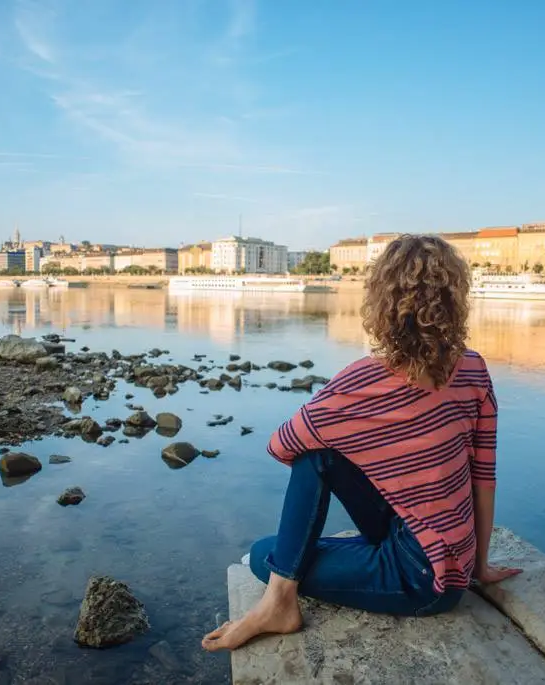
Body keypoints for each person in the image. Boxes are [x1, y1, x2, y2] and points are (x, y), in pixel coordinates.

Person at [202, 234, 521, 652]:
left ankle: (279, 603)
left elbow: (282, 445)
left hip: (425, 580)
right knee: (318, 466)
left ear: (382, 300)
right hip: (444, 554)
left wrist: (364, 438)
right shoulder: (474, 368)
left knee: (266, 553)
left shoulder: (366, 378)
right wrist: (478, 564)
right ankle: (309, 578)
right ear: (455, 298)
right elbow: (484, 476)